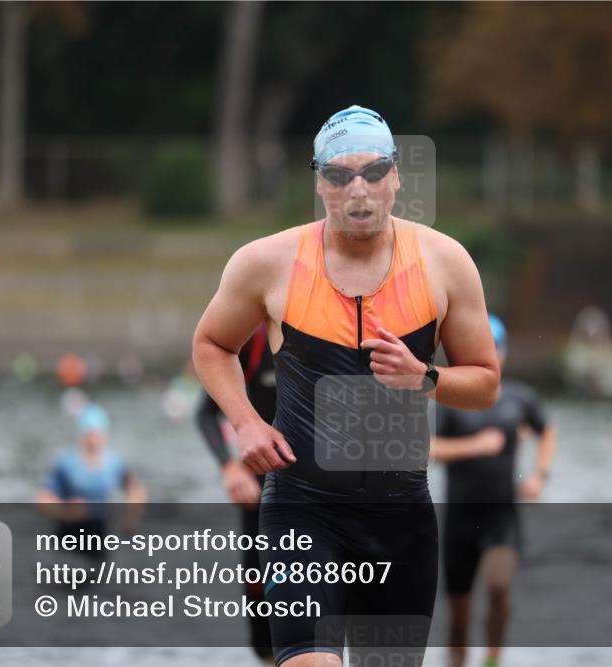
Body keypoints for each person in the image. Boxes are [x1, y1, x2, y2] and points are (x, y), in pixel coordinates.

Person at [192, 104, 500, 667]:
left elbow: (484, 385)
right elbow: (212, 345)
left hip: (400, 516)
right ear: (319, 182)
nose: (358, 190)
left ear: (396, 177)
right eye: (339, 176)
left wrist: (425, 377)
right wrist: (246, 422)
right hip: (303, 509)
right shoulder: (266, 262)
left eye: (373, 172)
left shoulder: (445, 262)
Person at [430, 315, 557, 667]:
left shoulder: (519, 396)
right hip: (460, 518)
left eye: (496, 347)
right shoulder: (451, 399)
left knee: (499, 582)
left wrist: (540, 475)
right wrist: (475, 445)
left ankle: (493, 659)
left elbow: (546, 431)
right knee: (459, 614)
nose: (492, 353)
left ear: (502, 352)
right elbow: (426, 448)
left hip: (501, 514)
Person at [195, 324, 277, 663]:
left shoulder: (326, 329)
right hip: (257, 491)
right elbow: (204, 413)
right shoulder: (253, 340)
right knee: (261, 609)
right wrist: (229, 468)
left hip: (315, 492)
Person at [36, 404, 147, 558]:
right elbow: (43, 498)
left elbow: (135, 489)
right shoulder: (67, 463)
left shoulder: (114, 463)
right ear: (82, 434)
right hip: (68, 533)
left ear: (105, 434)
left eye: (97, 433)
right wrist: (65, 511)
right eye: (89, 433)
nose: (93, 439)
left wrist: (131, 517)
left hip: (99, 532)